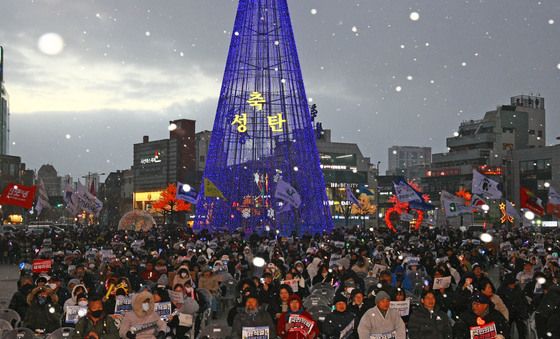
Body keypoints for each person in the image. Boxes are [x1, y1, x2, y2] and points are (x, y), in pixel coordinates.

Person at [497, 274, 529, 339]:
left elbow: (522, 299)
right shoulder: (501, 290)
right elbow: (499, 303)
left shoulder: (517, 288)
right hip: (507, 312)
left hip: (518, 312)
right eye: (511, 283)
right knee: (506, 329)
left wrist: (525, 309)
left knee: (521, 329)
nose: (513, 284)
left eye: (513, 282)